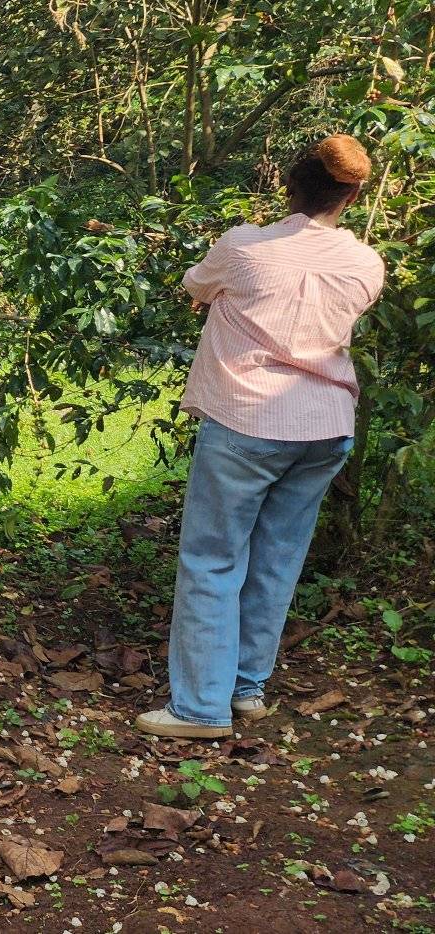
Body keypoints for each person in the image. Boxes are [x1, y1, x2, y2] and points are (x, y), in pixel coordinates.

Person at [136, 134, 384, 739]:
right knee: (277, 559)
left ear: (289, 187)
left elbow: (198, 286)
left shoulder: (244, 247)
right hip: (325, 427)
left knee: (212, 561)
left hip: (248, 422)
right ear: (351, 194)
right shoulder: (365, 263)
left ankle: (199, 708)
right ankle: (246, 688)